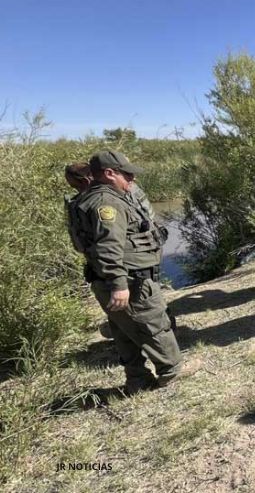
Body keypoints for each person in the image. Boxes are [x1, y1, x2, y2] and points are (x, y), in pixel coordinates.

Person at [67, 151, 195, 394]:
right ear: (109, 173)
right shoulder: (107, 203)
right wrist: (119, 284)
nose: (132, 179)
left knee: (124, 331)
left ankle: (137, 380)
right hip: (130, 281)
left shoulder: (94, 198)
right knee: (154, 324)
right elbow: (108, 245)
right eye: (127, 174)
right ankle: (172, 373)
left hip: (109, 279)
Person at [64, 162, 175, 339]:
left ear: (88, 178)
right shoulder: (83, 202)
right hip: (118, 262)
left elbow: (139, 223)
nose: (79, 190)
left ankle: (162, 331)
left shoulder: (113, 196)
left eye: (79, 186)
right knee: (136, 304)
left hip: (136, 258)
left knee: (150, 299)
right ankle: (138, 334)